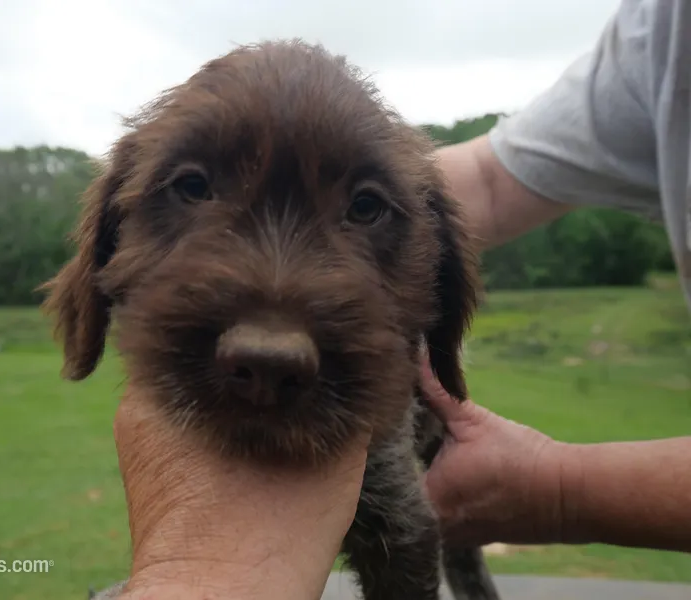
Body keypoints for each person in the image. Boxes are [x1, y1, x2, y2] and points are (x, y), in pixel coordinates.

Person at [112, 1, 691, 597]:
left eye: (364, 208)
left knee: (411, 531)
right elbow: (488, 183)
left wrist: (561, 491)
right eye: (193, 187)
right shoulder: (662, 32)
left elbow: (408, 541)